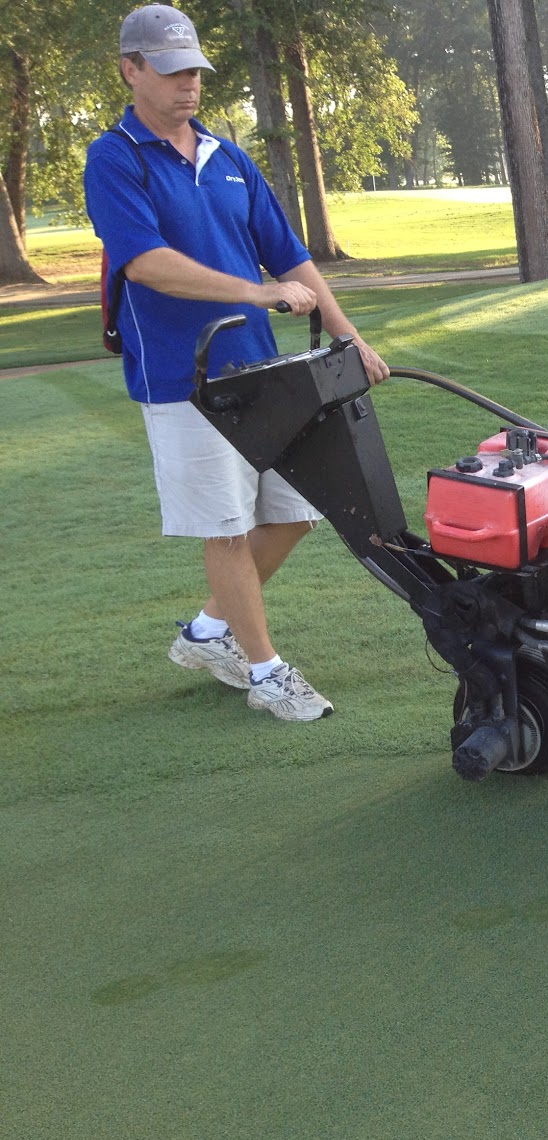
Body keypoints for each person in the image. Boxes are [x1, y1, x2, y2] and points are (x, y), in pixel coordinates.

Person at [84, 4, 389, 719]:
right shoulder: (115, 158)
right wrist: (256, 292)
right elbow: (147, 263)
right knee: (225, 526)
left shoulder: (227, 157)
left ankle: (207, 632)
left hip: (257, 370)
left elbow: (290, 256)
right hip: (181, 377)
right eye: (171, 72)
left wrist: (347, 336)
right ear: (131, 71)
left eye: (194, 70)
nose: (188, 84)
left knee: (295, 512)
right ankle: (266, 673)